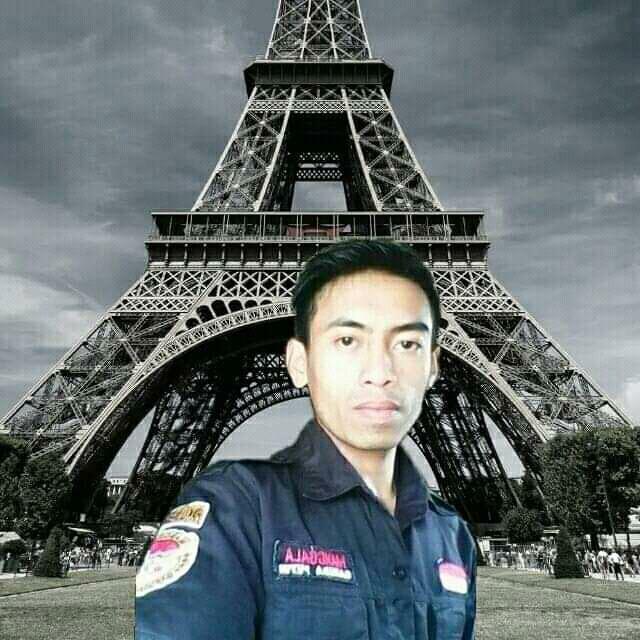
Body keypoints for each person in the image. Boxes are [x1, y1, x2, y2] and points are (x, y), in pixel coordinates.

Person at [136, 239, 477, 639]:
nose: (380, 372)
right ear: (300, 363)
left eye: (407, 344)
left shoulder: (452, 535)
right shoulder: (234, 510)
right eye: (347, 340)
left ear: (432, 367)